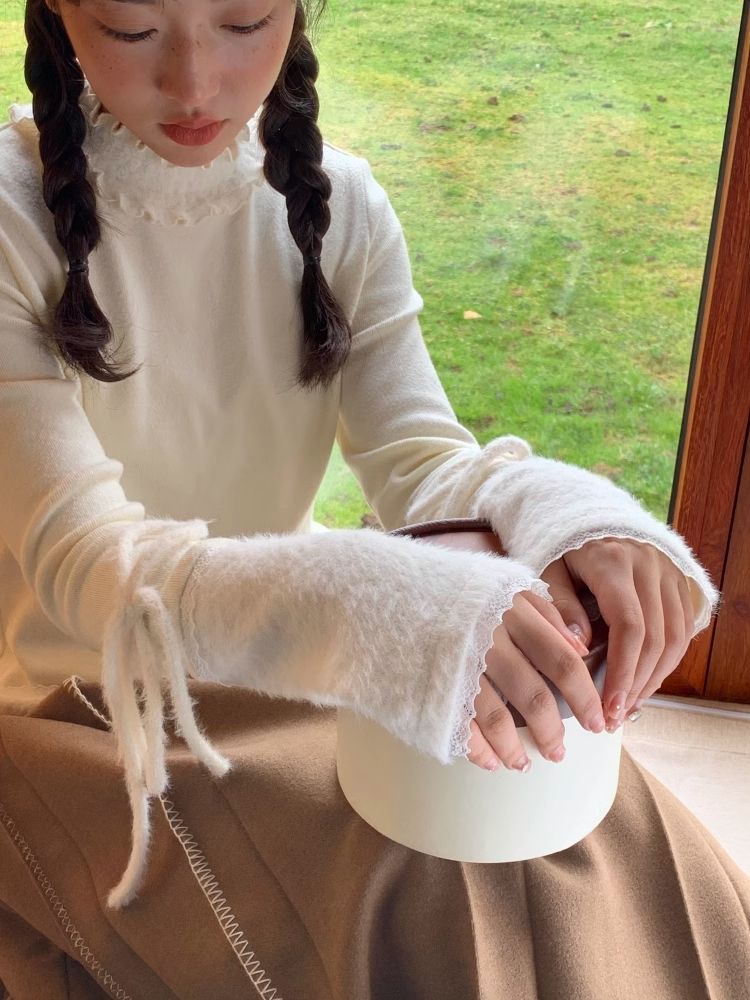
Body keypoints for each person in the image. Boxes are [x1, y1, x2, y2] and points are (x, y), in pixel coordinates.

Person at [0, 0, 748, 996]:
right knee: (432, 885)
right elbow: (91, 569)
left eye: (245, 21)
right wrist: (379, 611)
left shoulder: (338, 204)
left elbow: (421, 461)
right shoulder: (11, 217)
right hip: (78, 712)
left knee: (590, 832)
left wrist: (571, 518)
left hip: (291, 674)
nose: (194, 84)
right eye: (133, 31)